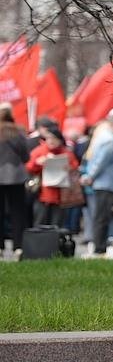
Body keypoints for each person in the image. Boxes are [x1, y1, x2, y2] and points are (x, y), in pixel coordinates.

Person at [80, 110, 113, 257]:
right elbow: (100, 162)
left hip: (104, 184)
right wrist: (90, 176)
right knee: (102, 217)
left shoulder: (105, 137)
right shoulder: (109, 140)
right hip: (105, 184)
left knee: (101, 216)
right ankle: (99, 249)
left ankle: (99, 247)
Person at [25, 128, 79, 227]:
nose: (51, 141)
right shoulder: (39, 151)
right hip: (42, 193)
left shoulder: (67, 153)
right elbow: (28, 167)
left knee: (57, 223)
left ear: (60, 140)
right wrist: (37, 163)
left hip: (61, 194)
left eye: (54, 138)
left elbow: (75, 166)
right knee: (40, 221)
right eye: (48, 138)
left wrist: (69, 168)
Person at [0, 104, 29, 260]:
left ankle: (0, 247)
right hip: (16, 176)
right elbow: (25, 155)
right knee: (18, 213)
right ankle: (18, 247)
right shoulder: (18, 131)